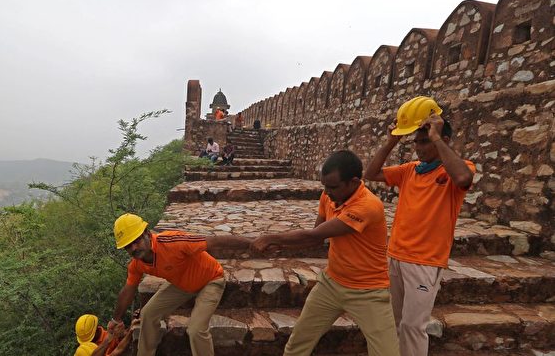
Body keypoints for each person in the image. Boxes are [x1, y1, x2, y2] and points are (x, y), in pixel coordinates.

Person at [252, 150, 400, 356]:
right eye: (324, 186)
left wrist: (271, 238)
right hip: (331, 285)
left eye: (332, 187)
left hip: (368, 291)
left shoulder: (368, 206)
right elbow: (317, 236)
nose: (326, 192)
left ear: (354, 182)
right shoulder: (328, 195)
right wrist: (282, 246)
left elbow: (313, 236)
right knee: (297, 345)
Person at [364, 97, 475, 356]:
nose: (418, 147)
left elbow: (463, 178)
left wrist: (436, 136)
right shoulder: (411, 170)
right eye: (415, 141)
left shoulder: (454, 171)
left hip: (425, 261)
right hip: (396, 255)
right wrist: (393, 138)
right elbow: (371, 173)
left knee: (413, 326)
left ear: (442, 140)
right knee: (392, 323)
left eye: (423, 141)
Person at [108, 213, 250, 356]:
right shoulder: (136, 265)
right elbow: (128, 289)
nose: (133, 248)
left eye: (136, 241)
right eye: (128, 246)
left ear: (147, 233)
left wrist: (252, 243)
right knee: (148, 314)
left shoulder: (171, 242)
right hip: (181, 285)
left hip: (210, 280)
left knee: (196, 329)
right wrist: (116, 319)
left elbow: (214, 242)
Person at [74, 313, 139, 356]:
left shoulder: (84, 349)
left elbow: (119, 349)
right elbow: (118, 350)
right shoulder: (84, 350)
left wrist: (131, 328)